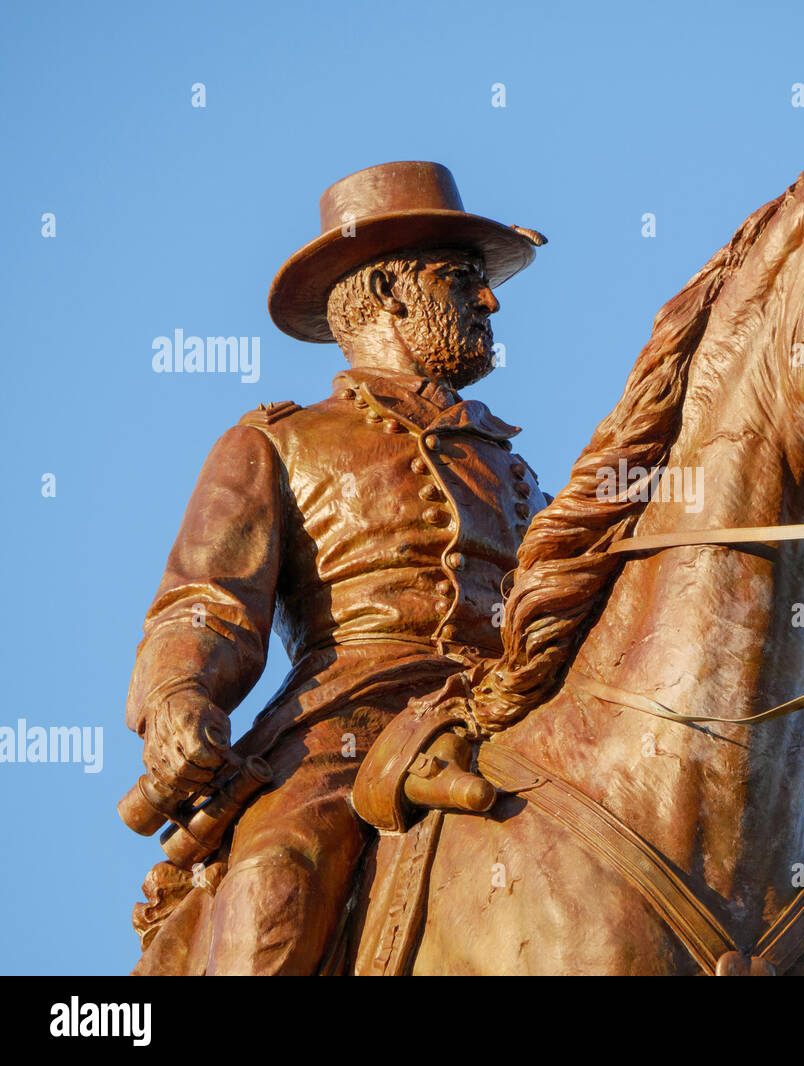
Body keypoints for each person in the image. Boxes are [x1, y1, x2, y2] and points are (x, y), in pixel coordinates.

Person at [125, 161, 548, 975]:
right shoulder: (277, 442)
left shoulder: (518, 470)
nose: (488, 301)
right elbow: (204, 605)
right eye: (460, 280)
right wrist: (180, 695)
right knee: (278, 877)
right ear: (390, 293)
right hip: (346, 724)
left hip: (507, 710)